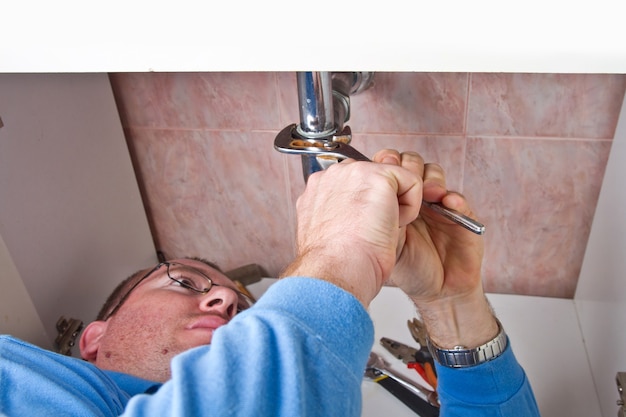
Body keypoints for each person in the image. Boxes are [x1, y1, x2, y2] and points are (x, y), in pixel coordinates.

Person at [0, 149, 540, 416]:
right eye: (183, 282)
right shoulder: (15, 378)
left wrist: (450, 301)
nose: (224, 297)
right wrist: (336, 256)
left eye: (245, 308)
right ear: (93, 339)